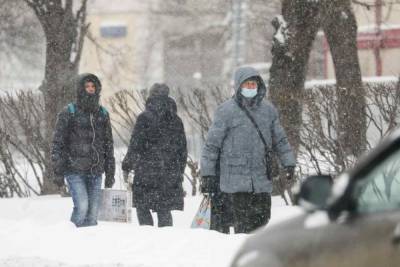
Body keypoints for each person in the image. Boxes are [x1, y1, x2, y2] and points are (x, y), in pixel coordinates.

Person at [201, 66, 296, 234]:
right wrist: (208, 174)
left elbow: (280, 140)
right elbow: (212, 145)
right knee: (243, 227)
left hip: (261, 179)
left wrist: (288, 162)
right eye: (247, 84)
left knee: (262, 223)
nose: (251, 88)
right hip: (235, 181)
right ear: (239, 86)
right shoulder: (226, 111)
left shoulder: (268, 111)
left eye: (253, 84)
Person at [51, 73, 115, 227]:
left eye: (93, 86)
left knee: (93, 214)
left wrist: (110, 172)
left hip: (95, 171)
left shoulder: (103, 113)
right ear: (81, 89)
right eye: (87, 86)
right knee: (82, 208)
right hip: (74, 170)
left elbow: (108, 145)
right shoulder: (69, 112)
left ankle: (87, 247)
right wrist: (58, 171)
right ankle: (69, 237)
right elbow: (58, 143)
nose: (90, 89)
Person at [122, 83, 187, 227]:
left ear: (150, 96)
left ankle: (148, 236)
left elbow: (135, 145)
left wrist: (127, 165)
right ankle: (165, 239)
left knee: (143, 207)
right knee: (164, 209)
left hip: (146, 171)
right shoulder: (176, 120)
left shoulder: (144, 118)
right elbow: (182, 149)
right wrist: (179, 171)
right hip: (168, 172)